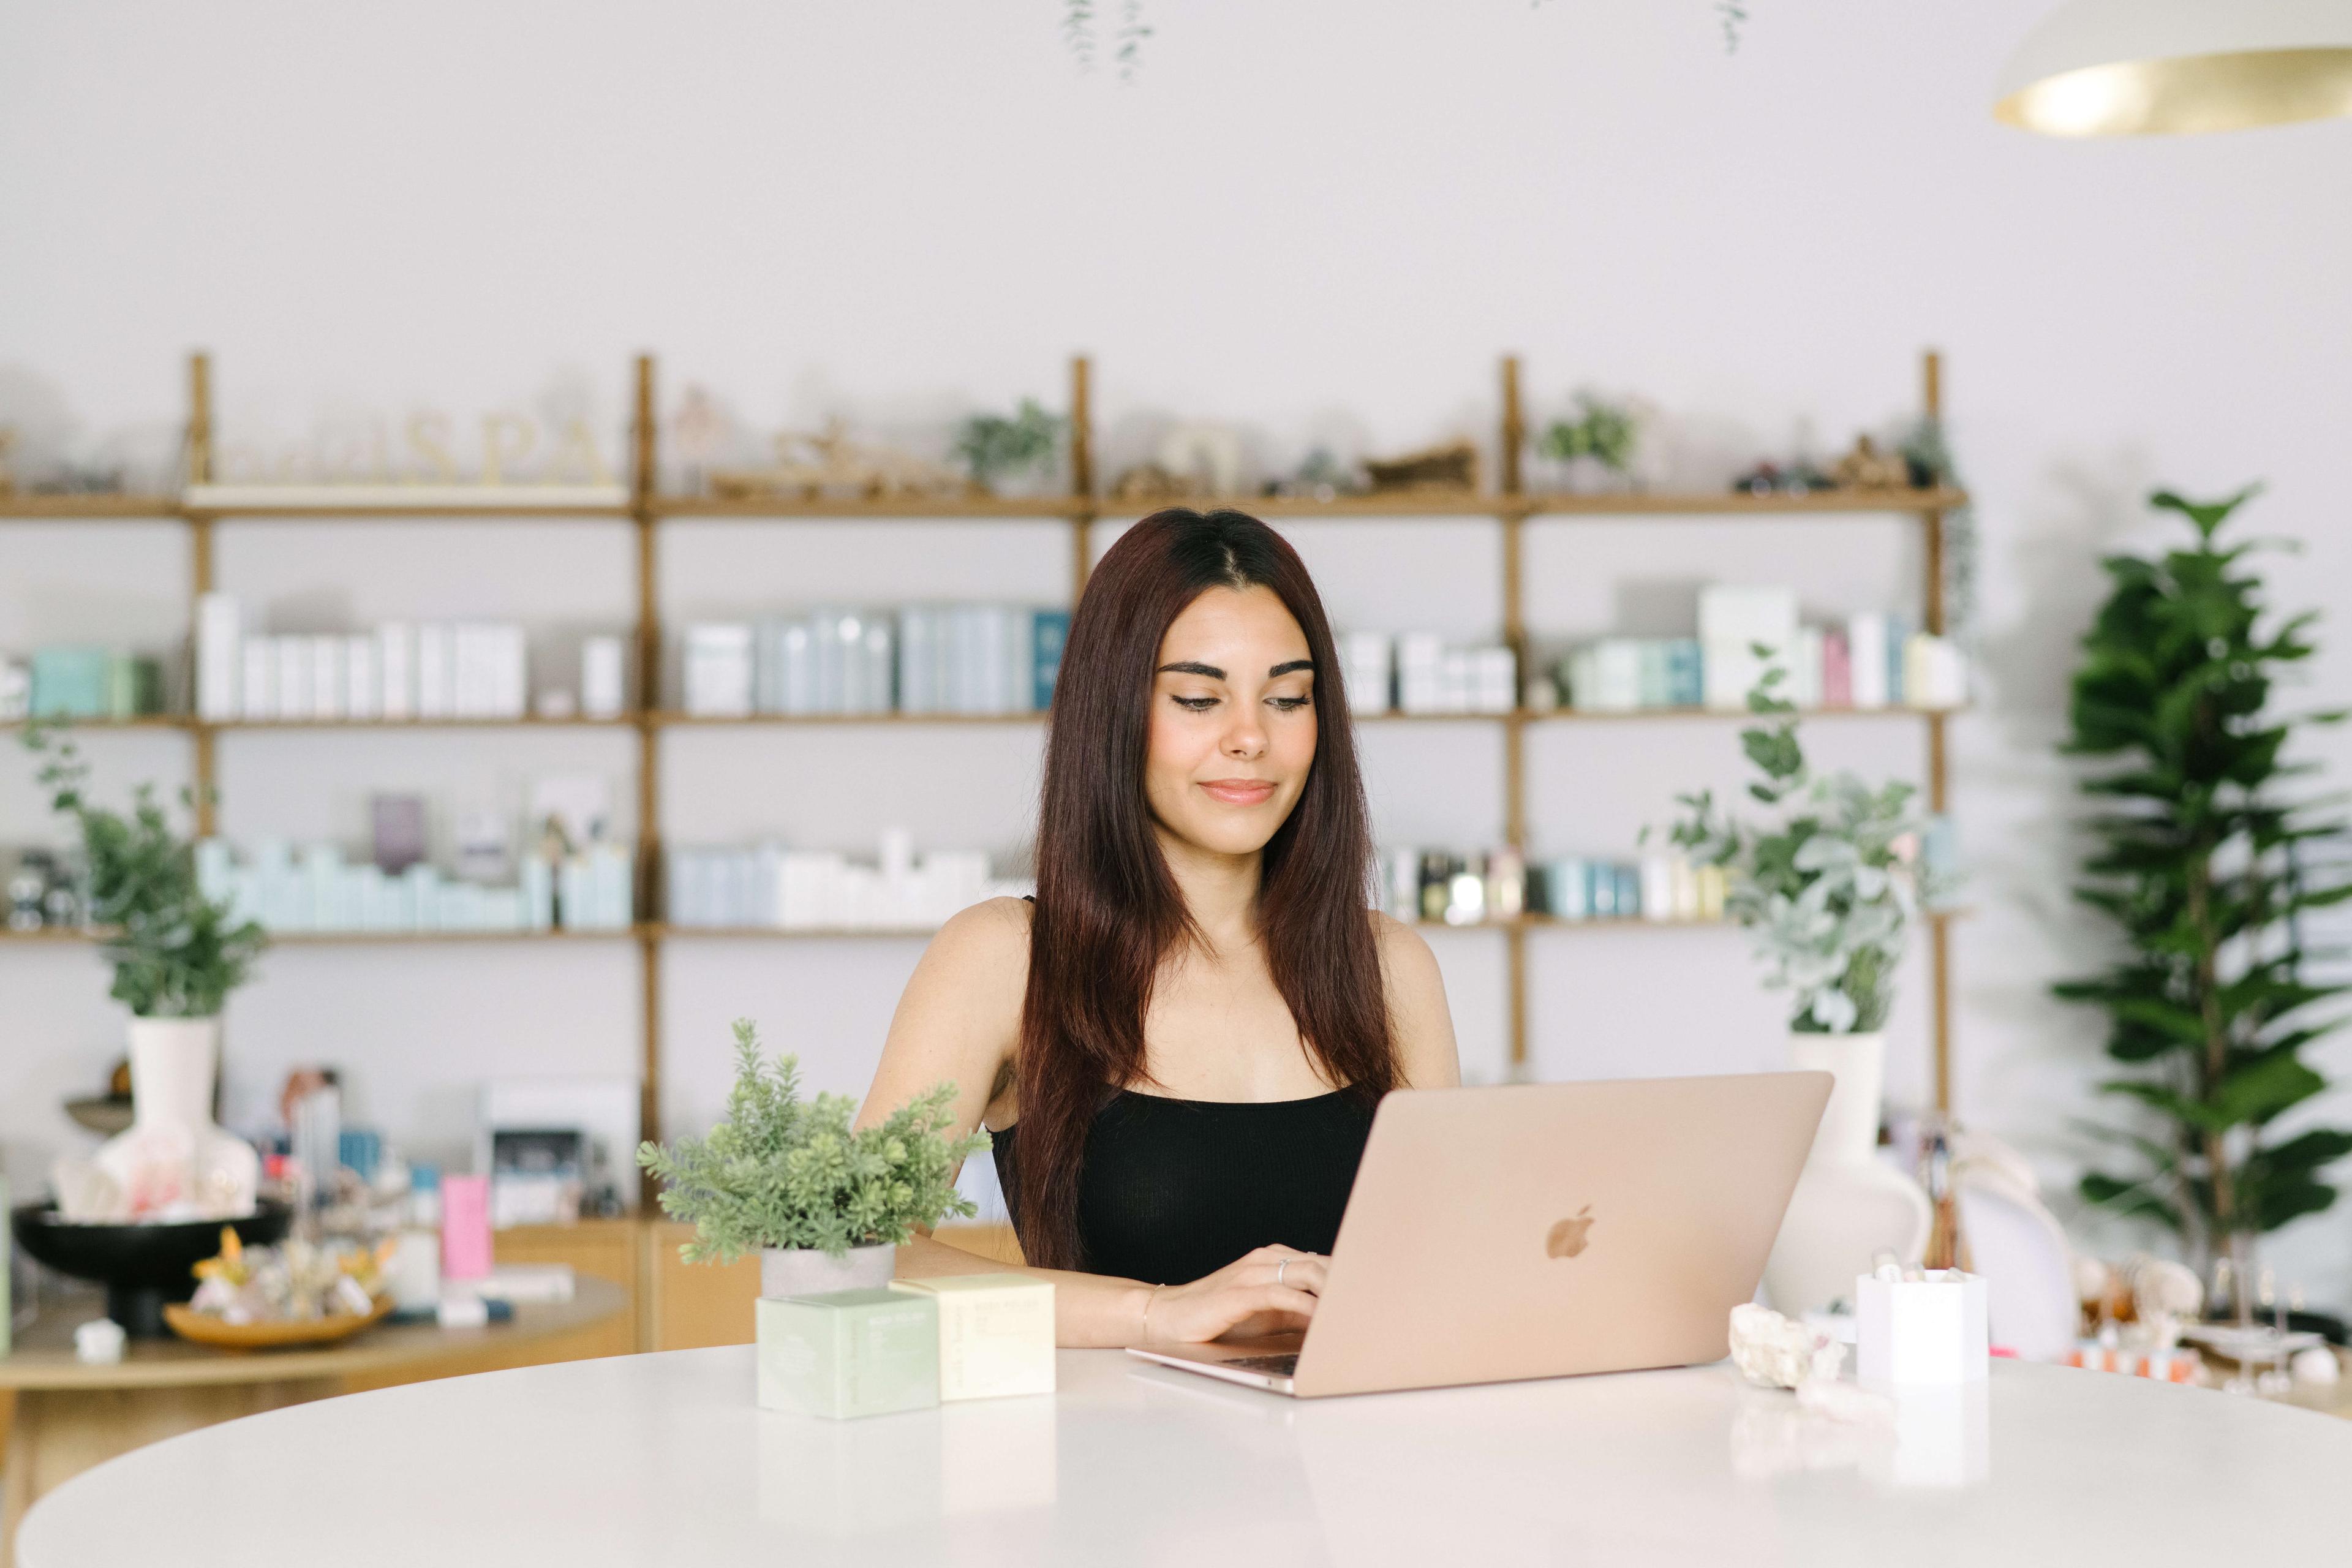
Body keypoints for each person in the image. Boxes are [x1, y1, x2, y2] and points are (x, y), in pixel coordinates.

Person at [857, 507, 1460, 1348]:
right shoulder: (1005, 960)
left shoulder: (1390, 966)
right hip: (1110, 1435)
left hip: (1351, 1433)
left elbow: (1444, 1269)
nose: (1250, 738)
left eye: (1288, 698)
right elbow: (853, 1254)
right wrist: (1151, 1312)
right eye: (1199, 699)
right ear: (1114, 714)